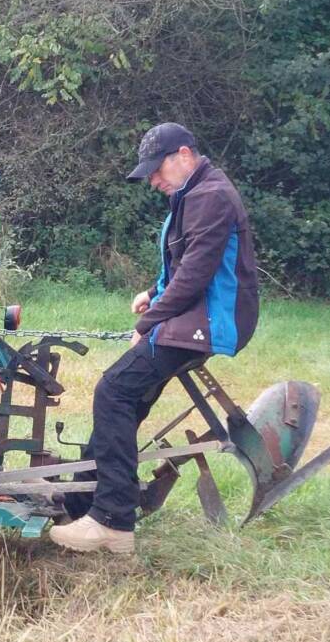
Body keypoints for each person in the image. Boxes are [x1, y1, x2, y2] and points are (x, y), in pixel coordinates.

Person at [49, 122, 260, 554]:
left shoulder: (210, 197)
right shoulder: (193, 195)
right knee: (128, 395)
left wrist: (149, 325)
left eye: (157, 170)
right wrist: (153, 294)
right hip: (193, 315)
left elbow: (195, 279)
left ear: (184, 154)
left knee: (114, 391)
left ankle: (111, 521)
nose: (153, 180)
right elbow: (182, 269)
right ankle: (79, 500)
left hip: (209, 322)